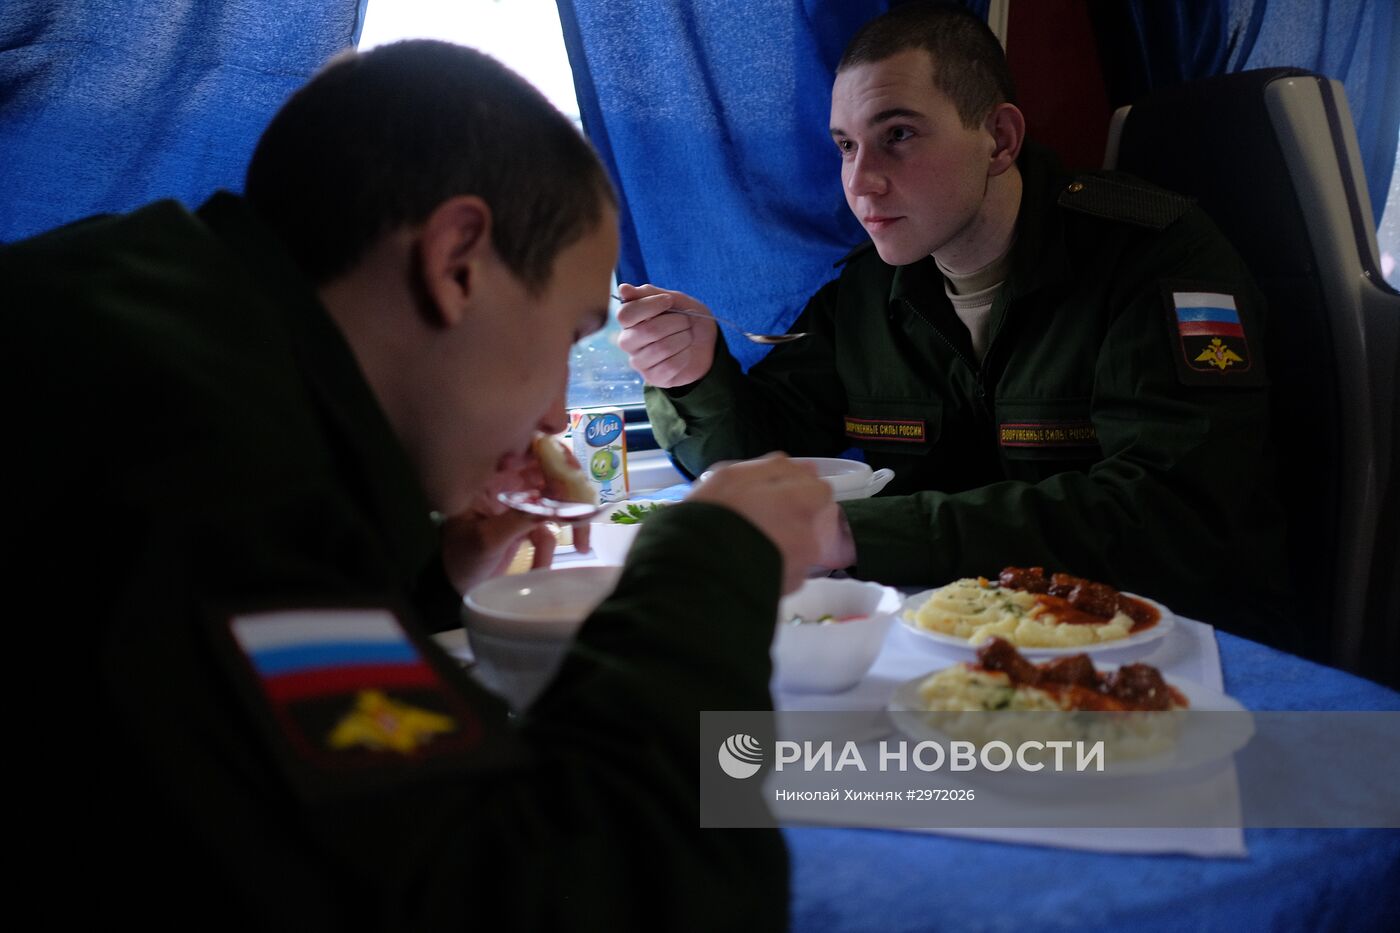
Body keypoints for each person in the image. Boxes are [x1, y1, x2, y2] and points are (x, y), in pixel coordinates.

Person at [5, 40, 837, 929]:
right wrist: (708, 566)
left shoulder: (165, 319)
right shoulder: (193, 452)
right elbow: (550, 894)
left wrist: (425, 574)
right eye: (567, 332)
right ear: (455, 262)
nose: (558, 414)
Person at [618, 1, 1293, 647]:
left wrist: (855, 532)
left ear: (999, 139)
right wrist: (693, 374)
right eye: (847, 146)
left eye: (898, 136)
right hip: (961, 637)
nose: (861, 182)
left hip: (1167, 643)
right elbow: (760, 460)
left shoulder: (1154, 259)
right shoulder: (869, 292)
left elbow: (1164, 515)